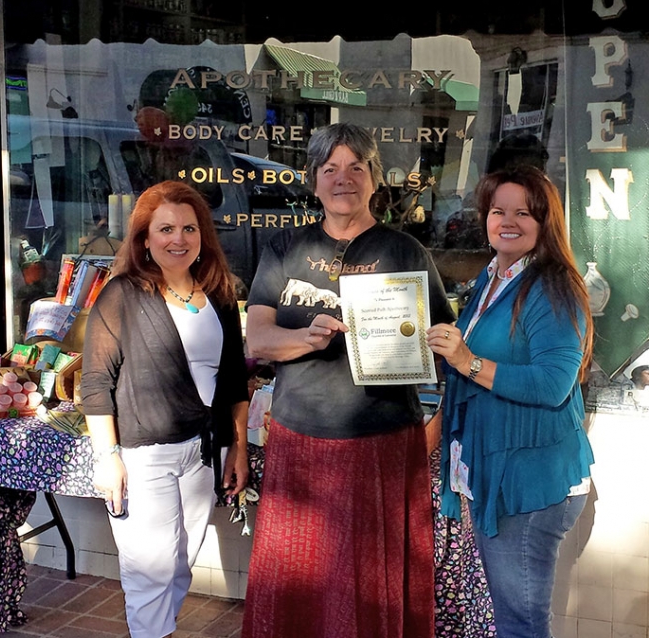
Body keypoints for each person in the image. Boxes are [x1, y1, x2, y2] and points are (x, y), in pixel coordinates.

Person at [242, 123, 454, 638]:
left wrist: (435, 404)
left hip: (382, 441)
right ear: (313, 181)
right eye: (330, 169)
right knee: (301, 579)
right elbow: (257, 343)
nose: (343, 179)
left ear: (374, 180)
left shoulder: (405, 252)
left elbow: (447, 348)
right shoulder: (285, 248)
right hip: (300, 436)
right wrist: (308, 340)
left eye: (356, 167)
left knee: (370, 583)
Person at [427, 166, 594, 638]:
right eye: (498, 210)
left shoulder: (552, 286)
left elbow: (552, 384)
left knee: (520, 624)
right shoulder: (492, 278)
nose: (508, 221)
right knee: (510, 617)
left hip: (529, 484)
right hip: (496, 474)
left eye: (524, 212)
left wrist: (467, 362)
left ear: (545, 221)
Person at [80, 180, 250, 638]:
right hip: (144, 456)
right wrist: (108, 457)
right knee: (149, 576)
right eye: (166, 229)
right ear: (145, 239)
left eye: (189, 228)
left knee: (178, 570)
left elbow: (234, 377)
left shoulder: (217, 292)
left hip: (201, 455)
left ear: (203, 236)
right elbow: (96, 382)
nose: (179, 239)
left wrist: (239, 447)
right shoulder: (122, 296)